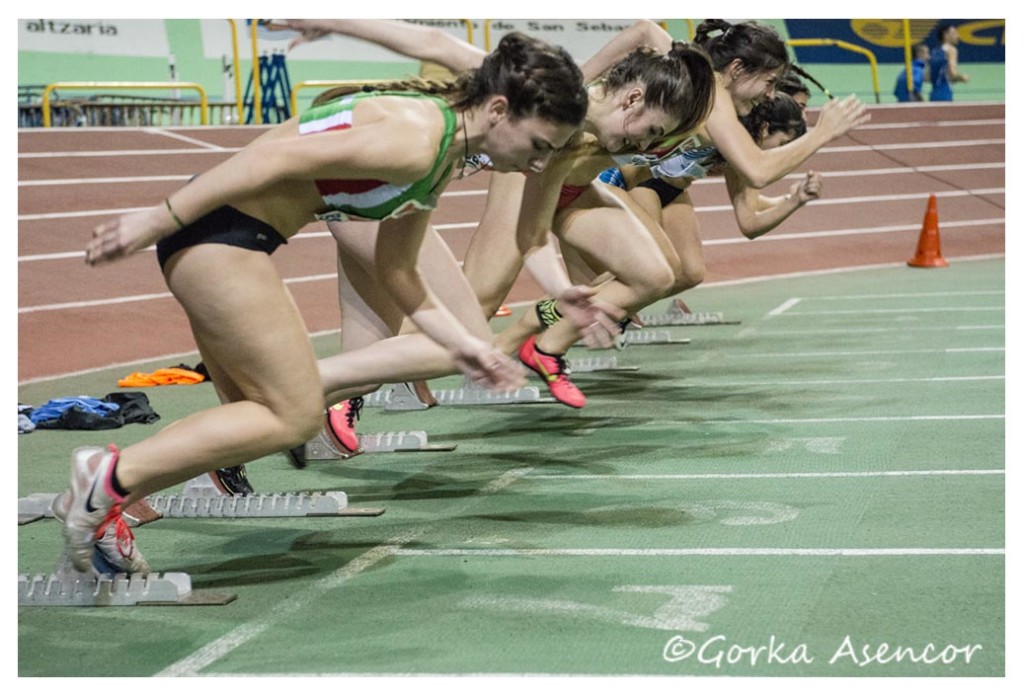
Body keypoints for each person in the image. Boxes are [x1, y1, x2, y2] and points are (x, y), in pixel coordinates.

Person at [54, 31, 591, 574]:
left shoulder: (443, 145)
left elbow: (399, 271)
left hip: (232, 240)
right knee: (291, 414)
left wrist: (468, 347)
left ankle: (105, 499)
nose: (537, 166)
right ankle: (104, 479)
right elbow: (272, 156)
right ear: (499, 110)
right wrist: (156, 218)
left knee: (265, 409)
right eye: (539, 147)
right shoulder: (417, 140)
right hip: (216, 239)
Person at [267, 18, 714, 463]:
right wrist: (326, 20)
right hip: (372, 173)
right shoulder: (541, 91)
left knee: (369, 365)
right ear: (633, 98)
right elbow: (433, 40)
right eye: (653, 132)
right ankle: (289, 392)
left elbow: (533, 236)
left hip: (393, 190)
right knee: (459, 338)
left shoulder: (567, 143)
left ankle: (284, 412)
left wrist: (564, 293)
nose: (647, 146)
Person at [499, 19, 868, 407]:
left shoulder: (728, 119)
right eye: (770, 83)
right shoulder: (704, 93)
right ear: (739, 69)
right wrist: (572, 93)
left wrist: (794, 197)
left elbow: (750, 206)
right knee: (485, 295)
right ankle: (518, 341)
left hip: (587, 183)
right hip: (568, 176)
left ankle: (539, 345)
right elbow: (756, 168)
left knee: (675, 272)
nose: (771, 94)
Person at [930, 23, 969, 102]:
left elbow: (927, 77)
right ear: (945, 35)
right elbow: (953, 74)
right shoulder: (951, 50)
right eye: (954, 33)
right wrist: (962, 78)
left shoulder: (934, 52)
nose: (957, 36)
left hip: (933, 94)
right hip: (945, 92)